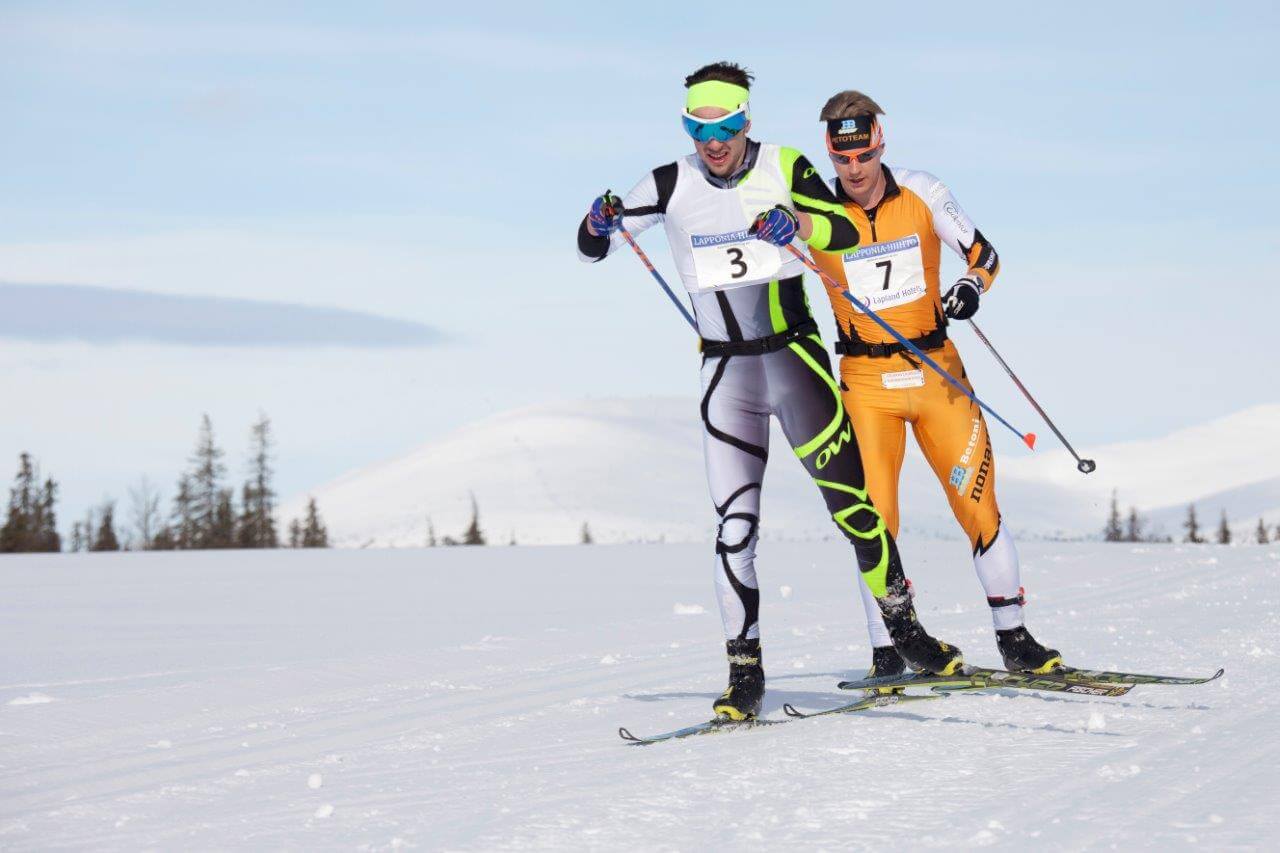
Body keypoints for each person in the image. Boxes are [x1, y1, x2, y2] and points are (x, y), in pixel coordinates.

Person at [576, 63, 962, 722]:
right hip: (726, 377)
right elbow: (591, 248)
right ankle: (745, 670)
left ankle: (907, 633)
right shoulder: (669, 181)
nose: (713, 141)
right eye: (699, 128)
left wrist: (798, 227)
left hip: (795, 365)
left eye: (725, 126)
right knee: (733, 530)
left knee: (854, 508)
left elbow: (842, 229)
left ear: (746, 121)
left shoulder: (785, 165)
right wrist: (599, 216)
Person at [808, 90, 1062, 677]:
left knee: (979, 506)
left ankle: (1014, 638)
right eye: (843, 159)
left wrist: (971, 286)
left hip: (935, 369)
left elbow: (985, 254)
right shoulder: (814, 210)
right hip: (864, 382)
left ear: (880, 145)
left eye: (864, 155)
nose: (855, 170)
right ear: (830, 152)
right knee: (875, 519)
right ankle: (888, 649)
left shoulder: (922, 190)